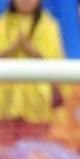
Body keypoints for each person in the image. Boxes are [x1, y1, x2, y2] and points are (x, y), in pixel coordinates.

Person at [0, 0, 64, 143]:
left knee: (32, 156)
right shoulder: (2, 23)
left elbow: (56, 63)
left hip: (36, 104)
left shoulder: (49, 25)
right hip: (4, 103)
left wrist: (33, 52)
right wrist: (11, 49)